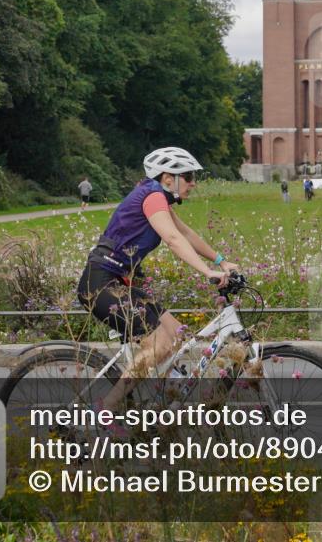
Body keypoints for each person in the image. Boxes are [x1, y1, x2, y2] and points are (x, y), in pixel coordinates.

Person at [77, 147, 236, 414]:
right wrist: (208, 272)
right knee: (159, 345)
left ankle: (162, 407)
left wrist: (220, 260)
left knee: (176, 334)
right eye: (188, 176)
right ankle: (103, 410)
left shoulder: (157, 196)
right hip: (100, 285)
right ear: (167, 178)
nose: (193, 182)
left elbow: (185, 232)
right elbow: (173, 240)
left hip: (118, 283)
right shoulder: (152, 197)